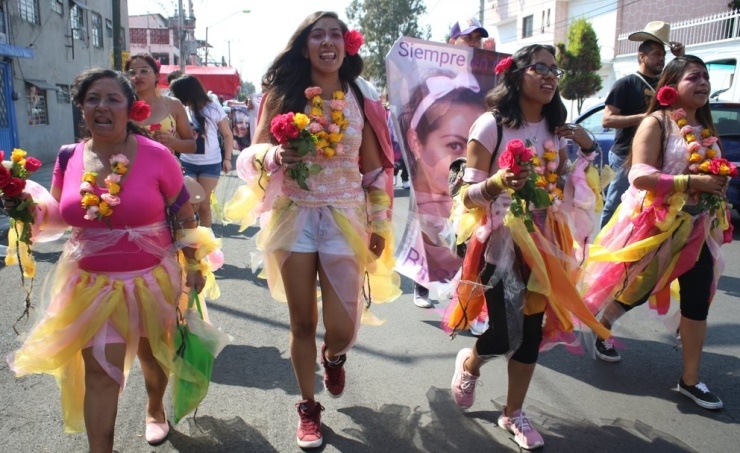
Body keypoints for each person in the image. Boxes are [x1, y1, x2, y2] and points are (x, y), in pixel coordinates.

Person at [5, 68, 221, 452]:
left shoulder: (157, 156)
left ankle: (155, 409)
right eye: (92, 99)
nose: (101, 106)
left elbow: (185, 216)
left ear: (130, 107)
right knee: (102, 376)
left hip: (153, 279)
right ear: (81, 108)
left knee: (154, 361)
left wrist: (192, 266)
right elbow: (59, 214)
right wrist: (26, 208)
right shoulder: (69, 156)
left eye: (112, 99)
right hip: (91, 285)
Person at [224, 11, 400, 449]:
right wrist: (273, 158)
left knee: (343, 327)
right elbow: (251, 155)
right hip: (294, 215)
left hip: (346, 217)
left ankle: (334, 356)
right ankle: (308, 408)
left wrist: (379, 222)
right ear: (304, 46)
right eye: (317, 35)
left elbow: (376, 170)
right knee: (302, 322)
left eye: (335, 34)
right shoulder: (283, 94)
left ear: (347, 44)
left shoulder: (361, 95)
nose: (327, 42)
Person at [446, 44, 609, 450]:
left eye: (555, 70)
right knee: (503, 335)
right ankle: (470, 362)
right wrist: (498, 182)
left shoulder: (558, 130)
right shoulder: (490, 125)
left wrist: (588, 147)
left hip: (548, 241)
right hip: (499, 241)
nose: (551, 76)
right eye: (541, 67)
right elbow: (465, 198)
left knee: (531, 333)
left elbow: (575, 182)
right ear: (518, 75)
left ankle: (513, 412)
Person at [582, 55, 729, 410]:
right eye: (694, 76)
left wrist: (717, 184)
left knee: (697, 300)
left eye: (706, 77)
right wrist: (694, 180)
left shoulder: (705, 130)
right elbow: (639, 176)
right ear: (671, 85)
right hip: (656, 227)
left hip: (697, 229)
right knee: (636, 288)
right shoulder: (657, 123)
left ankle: (690, 380)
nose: (703, 83)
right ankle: (603, 327)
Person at [595, 21, 685, 362]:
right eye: (656, 53)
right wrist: (646, 118)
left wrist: (682, 58)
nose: (661, 58)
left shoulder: (665, 82)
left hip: (661, 162)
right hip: (626, 156)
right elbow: (607, 121)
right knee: (617, 208)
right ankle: (607, 254)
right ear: (642, 54)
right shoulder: (626, 83)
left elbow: (688, 85)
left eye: (664, 52)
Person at [403, 18, 491, 309]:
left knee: (465, 226)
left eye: (478, 38)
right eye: (468, 38)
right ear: (452, 41)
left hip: (473, 160)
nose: (474, 43)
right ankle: (423, 284)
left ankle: (463, 289)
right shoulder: (433, 70)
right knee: (429, 221)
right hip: (434, 159)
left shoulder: (486, 74)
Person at [169, 75, 235, 228]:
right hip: (187, 162)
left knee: (204, 205)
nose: (174, 97)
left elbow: (227, 134)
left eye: (177, 93)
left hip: (210, 164)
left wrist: (227, 159)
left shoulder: (212, 107)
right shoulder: (181, 108)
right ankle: (191, 240)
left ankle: (207, 244)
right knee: (190, 204)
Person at [124, 54, 196, 155]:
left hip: (166, 169)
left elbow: (192, 146)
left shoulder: (173, 104)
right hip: (131, 169)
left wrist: (172, 142)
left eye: (144, 71)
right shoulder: (122, 107)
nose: (137, 76)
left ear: (157, 75)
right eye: (132, 72)